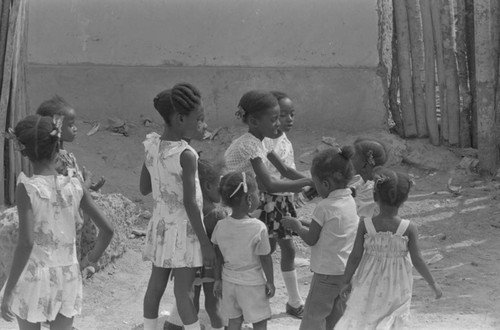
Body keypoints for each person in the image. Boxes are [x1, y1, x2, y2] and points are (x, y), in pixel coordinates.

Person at [0, 114, 113, 330]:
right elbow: (107, 230)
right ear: (56, 145)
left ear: (23, 150)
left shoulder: (27, 188)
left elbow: (26, 243)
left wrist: (9, 289)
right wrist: (88, 262)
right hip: (68, 276)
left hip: (34, 277)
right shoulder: (75, 185)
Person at [224, 90, 313, 318]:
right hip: (237, 206)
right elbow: (269, 185)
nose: (279, 123)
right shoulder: (250, 145)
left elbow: (284, 170)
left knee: (264, 250)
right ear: (254, 121)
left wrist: (311, 180)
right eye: (274, 119)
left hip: (250, 202)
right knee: (245, 257)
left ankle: (242, 307)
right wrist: (307, 183)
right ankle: (234, 308)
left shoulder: (262, 140)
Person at [140, 83, 216, 330]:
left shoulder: (151, 145)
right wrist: (205, 244)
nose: (203, 124)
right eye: (200, 119)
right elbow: (190, 202)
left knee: (155, 287)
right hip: (185, 230)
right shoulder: (187, 154)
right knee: (185, 293)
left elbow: (144, 187)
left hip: (160, 227)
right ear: (181, 118)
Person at [335, 168, 443, 330]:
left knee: (366, 318)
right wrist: (433, 283)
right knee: (393, 321)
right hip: (397, 287)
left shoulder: (365, 225)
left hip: (367, 283)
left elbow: (355, 257)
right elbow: (418, 260)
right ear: (405, 199)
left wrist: (345, 282)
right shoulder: (409, 228)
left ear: (375, 196)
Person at [282, 146, 359, 330]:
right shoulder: (349, 201)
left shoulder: (325, 206)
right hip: (345, 272)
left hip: (325, 274)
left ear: (325, 184)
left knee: (313, 317)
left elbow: (311, 239)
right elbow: (330, 229)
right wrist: (304, 222)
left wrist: (296, 226)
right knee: (335, 315)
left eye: (315, 183)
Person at [164, 158, 225, 330]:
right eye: (218, 184)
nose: (222, 190)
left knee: (190, 301)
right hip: (212, 268)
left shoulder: (186, 211)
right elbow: (222, 246)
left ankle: (176, 325)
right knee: (214, 307)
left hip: (189, 264)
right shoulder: (217, 215)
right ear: (206, 186)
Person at [212, 172, 275, 330]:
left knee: (233, 322)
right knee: (259, 321)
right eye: (257, 194)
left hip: (228, 281)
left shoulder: (221, 225)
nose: (259, 198)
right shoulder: (258, 227)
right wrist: (270, 281)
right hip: (252, 283)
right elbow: (265, 257)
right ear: (248, 199)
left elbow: (217, 255)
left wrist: (217, 279)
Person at [349, 138, 388, 219]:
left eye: (353, 157)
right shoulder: (362, 182)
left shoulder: (369, 191)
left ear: (364, 167)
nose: (349, 160)